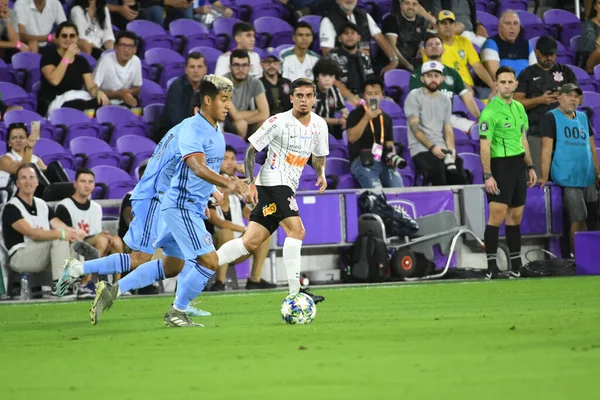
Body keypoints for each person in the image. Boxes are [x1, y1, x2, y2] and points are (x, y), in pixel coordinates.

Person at [57, 92, 221, 318]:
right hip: (155, 197)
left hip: (169, 200)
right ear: (198, 110)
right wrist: (207, 193)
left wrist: (205, 194)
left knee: (176, 263)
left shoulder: (184, 131)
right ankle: (77, 269)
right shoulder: (188, 134)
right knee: (139, 257)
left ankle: (177, 303)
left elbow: (184, 170)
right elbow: (188, 169)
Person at [214, 78, 328, 312]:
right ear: (292, 98)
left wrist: (321, 173)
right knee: (297, 230)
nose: (303, 100)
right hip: (273, 182)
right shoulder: (278, 122)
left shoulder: (319, 125)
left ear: (314, 99)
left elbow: (318, 155)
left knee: (250, 241)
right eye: (299, 95)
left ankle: (206, 263)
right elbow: (251, 150)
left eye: (308, 95)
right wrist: (252, 182)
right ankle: (296, 292)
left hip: (286, 185)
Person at [478, 66, 537, 279]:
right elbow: (484, 146)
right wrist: (487, 175)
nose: (506, 85)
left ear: (515, 84)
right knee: (497, 216)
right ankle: (491, 267)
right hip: (499, 166)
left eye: (509, 81)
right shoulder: (490, 112)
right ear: (496, 84)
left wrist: (530, 166)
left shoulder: (520, 108)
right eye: (501, 82)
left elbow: (523, 140)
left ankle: (516, 266)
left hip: (518, 165)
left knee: (515, 217)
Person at [538, 84, 600, 253]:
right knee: (578, 218)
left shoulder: (583, 117)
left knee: (594, 219)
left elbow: (592, 147)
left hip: (587, 176)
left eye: (576, 96)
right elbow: (546, 149)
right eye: (569, 95)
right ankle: (578, 257)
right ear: (559, 97)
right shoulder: (550, 117)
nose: (574, 99)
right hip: (567, 176)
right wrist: (544, 175)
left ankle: (593, 256)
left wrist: (597, 172)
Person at [1, 164, 78, 292]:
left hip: (41, 253)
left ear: (37, 182)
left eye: (32, 177)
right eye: (23, 178)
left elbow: (59, 225)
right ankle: (61, 286)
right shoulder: (11, 207)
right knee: (59, 238)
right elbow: (32, 234)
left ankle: (77, 283)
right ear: (17, 183)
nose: (28, 181)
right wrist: (63, 234)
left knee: (75, 243)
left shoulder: (42, 204)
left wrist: (74, 233)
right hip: (20, 256)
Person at [207, 146, 275, 291]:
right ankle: (219, 282)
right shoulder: (209, 186)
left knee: (262, 233)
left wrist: (250, 179)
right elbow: (217, 221)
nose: (230, 163)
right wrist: (244, 229)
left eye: (232, 159)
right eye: (225, 159)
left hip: (237, 247)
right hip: (212, 248)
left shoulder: (237, 193)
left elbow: (254, 213)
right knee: (225, 232)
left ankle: (254, 280)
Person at [514, 35, 578, 175]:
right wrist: (540, 100)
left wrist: (565, 97)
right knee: (539, 177)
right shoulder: (527, 74)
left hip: (564, 133)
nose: (549, 58)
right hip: (537, 132)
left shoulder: (565, 72)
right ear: (536, 52)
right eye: (545, 54)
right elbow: (516, 102)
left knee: (567, 176)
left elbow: (580, 98)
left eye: (552, 54)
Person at [405, 61, 469, 186]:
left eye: (436, 76)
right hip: (420, 148)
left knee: (459, 170)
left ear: (442, 79)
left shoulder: (445, 100)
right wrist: (432, 147)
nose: (433, 79)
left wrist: (451, 149)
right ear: (422, 78)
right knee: (438, 170)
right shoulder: (414, 96)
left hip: (441, 148)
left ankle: (460, 205)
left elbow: (448, 128)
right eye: (429, 76)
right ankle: (442, 205)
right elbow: (414, 127)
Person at [55, 168, 124, 279]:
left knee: (116, 241)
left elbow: (95, 232)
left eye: (90, 182)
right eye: (83, 181)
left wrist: (105, 236)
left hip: (94, 244)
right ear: (75, 184)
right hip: (73, 244)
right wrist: (101, 237)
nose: (87, 185)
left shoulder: (96, 207)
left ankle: (118, 284)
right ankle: (87, 281)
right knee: (101, 239)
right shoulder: (64, 206)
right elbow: (68, 236)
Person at [410, 34, 479, 134]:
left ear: (443, 50)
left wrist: (480, 117)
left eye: (437, 44)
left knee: (479, 130)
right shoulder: (417, 74)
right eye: (430, 45)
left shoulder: (453, 73)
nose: (434, 46)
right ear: (424, 51)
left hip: (449, 118)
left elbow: (467, 97)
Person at [37, 21, 109, 116]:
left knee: (102, 103)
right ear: (58, 38)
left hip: (77, 99)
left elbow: (91, 87)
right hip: (56, 102)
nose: (68, 39)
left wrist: (98, 92)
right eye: (64, 36)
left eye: (72, 36)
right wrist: (67, 57)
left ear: (77, 39)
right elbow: (54, 80)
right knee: (78, 106)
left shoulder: (81, 61)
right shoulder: (48, 57)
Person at [347, 75, 404, 188]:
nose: (373, 97)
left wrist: (392, 157)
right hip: (361, 160)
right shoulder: (355, 114)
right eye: (369, 94)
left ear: (382, 95)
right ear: (364, 95)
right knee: (377, 190)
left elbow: (389, 143)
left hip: (381, 160)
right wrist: (366, 118)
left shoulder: (386, 118)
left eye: (376, 93)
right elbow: (351, 138)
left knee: (398, 186)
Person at [319, 0, 399, 74]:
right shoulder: (328, 20)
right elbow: (327, 53)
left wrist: (394, 60)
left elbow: (380, 38)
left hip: (368, 67)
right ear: (337, 0)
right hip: (344, 70)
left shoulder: (364, 15)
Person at [424, 11, 494, 91]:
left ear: (454, 25)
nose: (448, 26)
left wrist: (493, 86)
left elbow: (477, 66)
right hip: (448, 89)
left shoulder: (464, 41)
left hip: (471, 88)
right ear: (436, 26)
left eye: (451, 23)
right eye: (444, 23)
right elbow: (434, 73)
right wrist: (461, 86)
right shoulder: (431, 46)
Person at [157, 52, 207, 140]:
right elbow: (177, 121)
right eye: (192, 67)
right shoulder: (177, 87)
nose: (196, 71)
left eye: (199, 67)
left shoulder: (208, 87)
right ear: (186, 69)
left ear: (205, 70)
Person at [223, 49, 269, 139]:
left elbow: (265, 113)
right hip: (225, 122)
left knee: (264, 123)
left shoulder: (255, 83)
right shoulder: (222, 83)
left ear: (249, 67)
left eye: (244, 65)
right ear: (230, 67)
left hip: (244, 122)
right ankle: (240, 150)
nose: (241, 69)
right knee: (241, 124)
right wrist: (256, 111)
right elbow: (235, 115)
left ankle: (256, 152)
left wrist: (246, 120)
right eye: (236, 65)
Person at [480, 10, 536, 79]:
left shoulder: (526, 44)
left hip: (525, 87)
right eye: (508, 23)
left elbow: (535, 73)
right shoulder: (490, 44)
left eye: (515, 23)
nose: (512, 27)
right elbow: (496, 77)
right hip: (503, 87)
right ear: (499, 27)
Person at [93, 31, 142, 107]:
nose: (126, 50)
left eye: (130, 46)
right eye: (123, 45)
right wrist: (119, 94)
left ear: (135, 49)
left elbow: (137, 87)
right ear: (115, 47)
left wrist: (128, 93)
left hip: (124, 99)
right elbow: (94, 89)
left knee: (137, 102)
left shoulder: (136, 61)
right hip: (106, 99)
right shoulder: (105, 60)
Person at [327, 22, 374, 98]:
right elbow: (332, 82)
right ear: (339, 39)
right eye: (346, 33)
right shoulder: (332, 57)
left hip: (364, 97)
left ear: (358, 37)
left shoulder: (364, 57)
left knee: (385, 103)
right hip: (340, 98)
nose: (349, 35)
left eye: (353, 33)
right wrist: (353, 98)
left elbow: (371, 81)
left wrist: (372, 102)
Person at [0, 123, 47, 198]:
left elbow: (48, 172)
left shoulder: (35, 158)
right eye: (14, 138)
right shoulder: (4, 159)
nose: (18, 140)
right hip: (16, 195)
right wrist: (29, 148)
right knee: (32, 167)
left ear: (27, 140)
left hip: (37, 192)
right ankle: (50, 192)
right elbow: (24, 171)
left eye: (21, 137)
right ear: (9, 142)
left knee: (54, 166)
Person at [379, 0, 428, 71]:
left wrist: (422, 46)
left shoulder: (421, 21)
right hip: (393, 64)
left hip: (414, 63)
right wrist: (408, 66)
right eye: (407, 3)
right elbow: (391, 47)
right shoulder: (391, 19)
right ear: (401, 5)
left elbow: (423, 41)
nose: (410, 7)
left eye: (414, 4)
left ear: (418, 7)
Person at [313, 57, 348, 140]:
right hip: (312, 131)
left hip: (330, 131)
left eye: (331, 76)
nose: (327, 79)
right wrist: (337, 121)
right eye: (324, 75)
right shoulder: (309, 91)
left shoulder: (334, 90)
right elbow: (311, 118)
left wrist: (346, 117)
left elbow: (343, 109)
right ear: (317, 76)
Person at [259, 49, 292, 116]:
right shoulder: (258, 84)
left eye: (275, 62)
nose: (271, 65)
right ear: (261, 64)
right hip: (267, 120)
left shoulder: (287, 82)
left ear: (279, 63)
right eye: (267, 62)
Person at [581, 0, 600, 72]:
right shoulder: (588, 25)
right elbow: (591, 49)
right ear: (595, 6)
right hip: (589, 63)